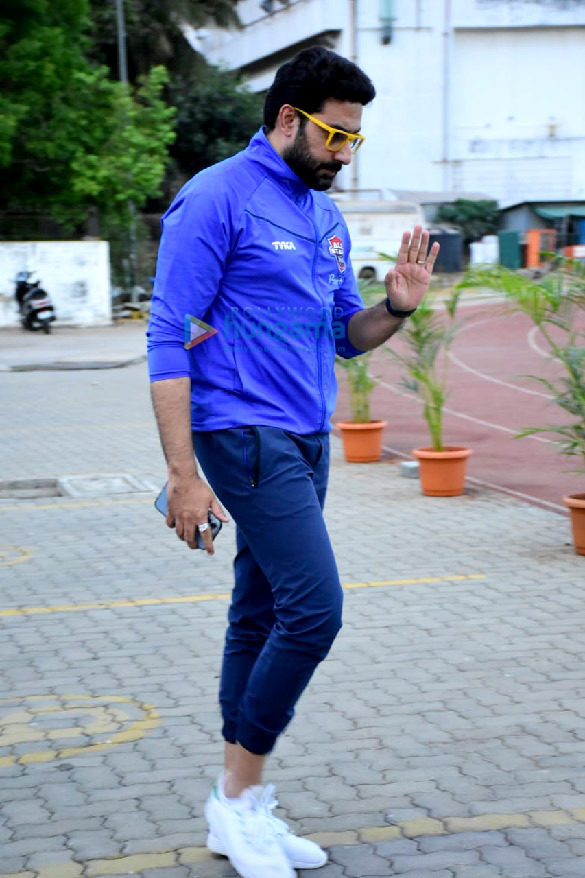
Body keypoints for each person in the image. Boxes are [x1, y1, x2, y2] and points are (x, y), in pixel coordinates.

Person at [147, 46, 439, 878]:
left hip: (308, 436)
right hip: (240, 433)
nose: (345, 153)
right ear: (286, 120)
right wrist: (181, 473)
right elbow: (168, 339)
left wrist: (395, 308)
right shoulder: (214, 199)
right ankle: (238, 796)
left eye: (355, 140)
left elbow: (345, 337)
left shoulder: (322, 218)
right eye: (335, 136)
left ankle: (236, 809)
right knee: (315, 612)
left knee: (261, 612)